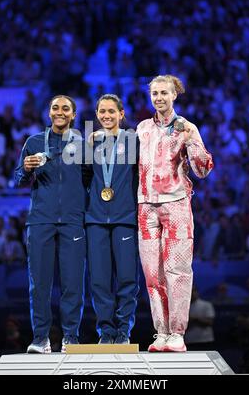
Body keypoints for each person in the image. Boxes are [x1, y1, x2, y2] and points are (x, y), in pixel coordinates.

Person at [137, 75, 214, 352]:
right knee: (152, 274)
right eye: (155, 93)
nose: (159, 98)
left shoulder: (187, 127)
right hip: (145, 207)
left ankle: (178, 333)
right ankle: (161, 332)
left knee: (177, 271)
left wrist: (192, 139)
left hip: (177, 205)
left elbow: (203, 170)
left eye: (164, 93)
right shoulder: (142, 128)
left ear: (174, 96)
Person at [15, 95, 86, 353]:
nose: (60, 112)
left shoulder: (82, 145)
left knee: (73, 284)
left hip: (73, 222)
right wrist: (25, 168)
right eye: (55, 107)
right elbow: (18, 179)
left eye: (65, 108)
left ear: (73, 114)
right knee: (40, 284)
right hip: (40, 221)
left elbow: (92, 182)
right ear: (49, 112)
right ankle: (40, 339)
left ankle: (71, 338)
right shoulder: (33, 142)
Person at [85, 94, 139, 344]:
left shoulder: (133, 141)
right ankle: (106, 331)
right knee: (99, 280)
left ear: (121, 113)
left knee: (128, 278)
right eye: (102, 112)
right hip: (95, 219)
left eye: (111, 111)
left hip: (125, 217)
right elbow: (83, 179)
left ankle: (123, 331)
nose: (106, 116)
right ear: (97, 115)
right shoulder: (89, 144)